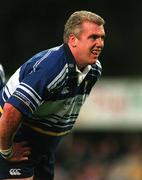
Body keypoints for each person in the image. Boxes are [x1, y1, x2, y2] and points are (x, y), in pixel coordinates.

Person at [0, 10, 105, 180]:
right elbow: (11, 110)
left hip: (45, 144)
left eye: (102, 37)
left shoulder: (94, 69)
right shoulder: (53, 68)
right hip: (19, 136)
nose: (100, 43)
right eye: (93, 37)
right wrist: (6, 150)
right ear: (73, 40)